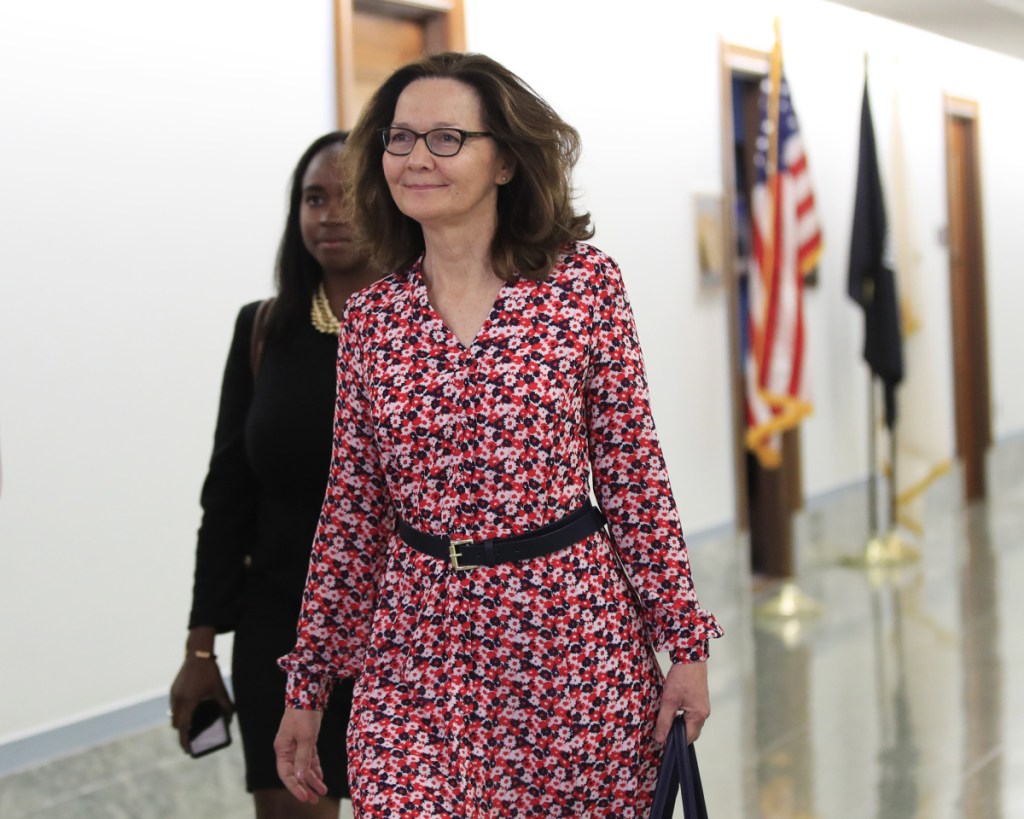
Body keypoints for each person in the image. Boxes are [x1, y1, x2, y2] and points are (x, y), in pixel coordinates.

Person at [274, 53, 723, 818]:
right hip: (416, 647)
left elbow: (633, 476)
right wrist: (308, 682)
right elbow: (353, 509)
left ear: (506, 160)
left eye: (447, 138)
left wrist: (685, 647)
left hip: (568, 644)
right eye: (399, 137)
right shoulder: (375, 320)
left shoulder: (582, 288)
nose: (416, 157)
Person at [170, 131, 382, 819]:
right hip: (280, 631)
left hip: (402, 630)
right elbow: (227, 495)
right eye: (314, 197)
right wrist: (201, 644)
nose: (330, 214)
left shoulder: (430, 329)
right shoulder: (262, 330)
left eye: (350, 196)